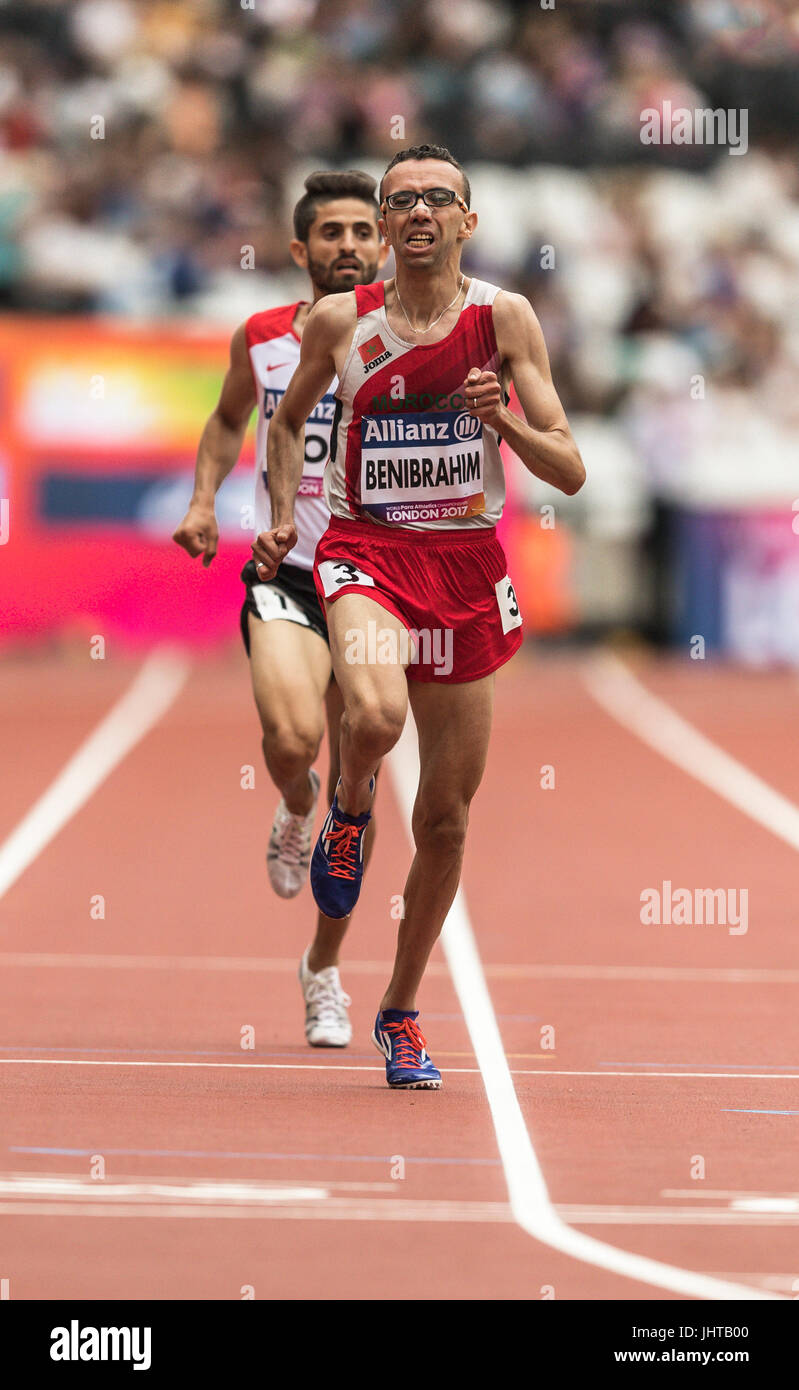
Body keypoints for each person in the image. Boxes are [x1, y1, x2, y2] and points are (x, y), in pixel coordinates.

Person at [252, 144, 585, 1089]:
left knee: (444, 821)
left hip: (467, 569)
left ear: (467, 222)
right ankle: (349, 803)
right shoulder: (338, 323)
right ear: (388, 224)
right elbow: (284, 424)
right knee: (374, 715)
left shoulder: (503, 318)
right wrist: (285, 517)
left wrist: (504, 421)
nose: (420, 213)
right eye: (402, 201)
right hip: (368, 554)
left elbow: (568, 465)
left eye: (440, 199)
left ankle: (398, 1011)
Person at [173, 170, 388, 1048]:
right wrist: (200, 502)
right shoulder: (261, 339)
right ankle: (291, 802)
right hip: (287, 571)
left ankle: (323, 971)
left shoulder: (408, 337)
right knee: (297, 746)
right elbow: (229, 422)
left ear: (382, 246)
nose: (347, 246)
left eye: (359, 232)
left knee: (360, 786)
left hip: (380, 582)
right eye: (329, 233)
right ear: (300, 251)